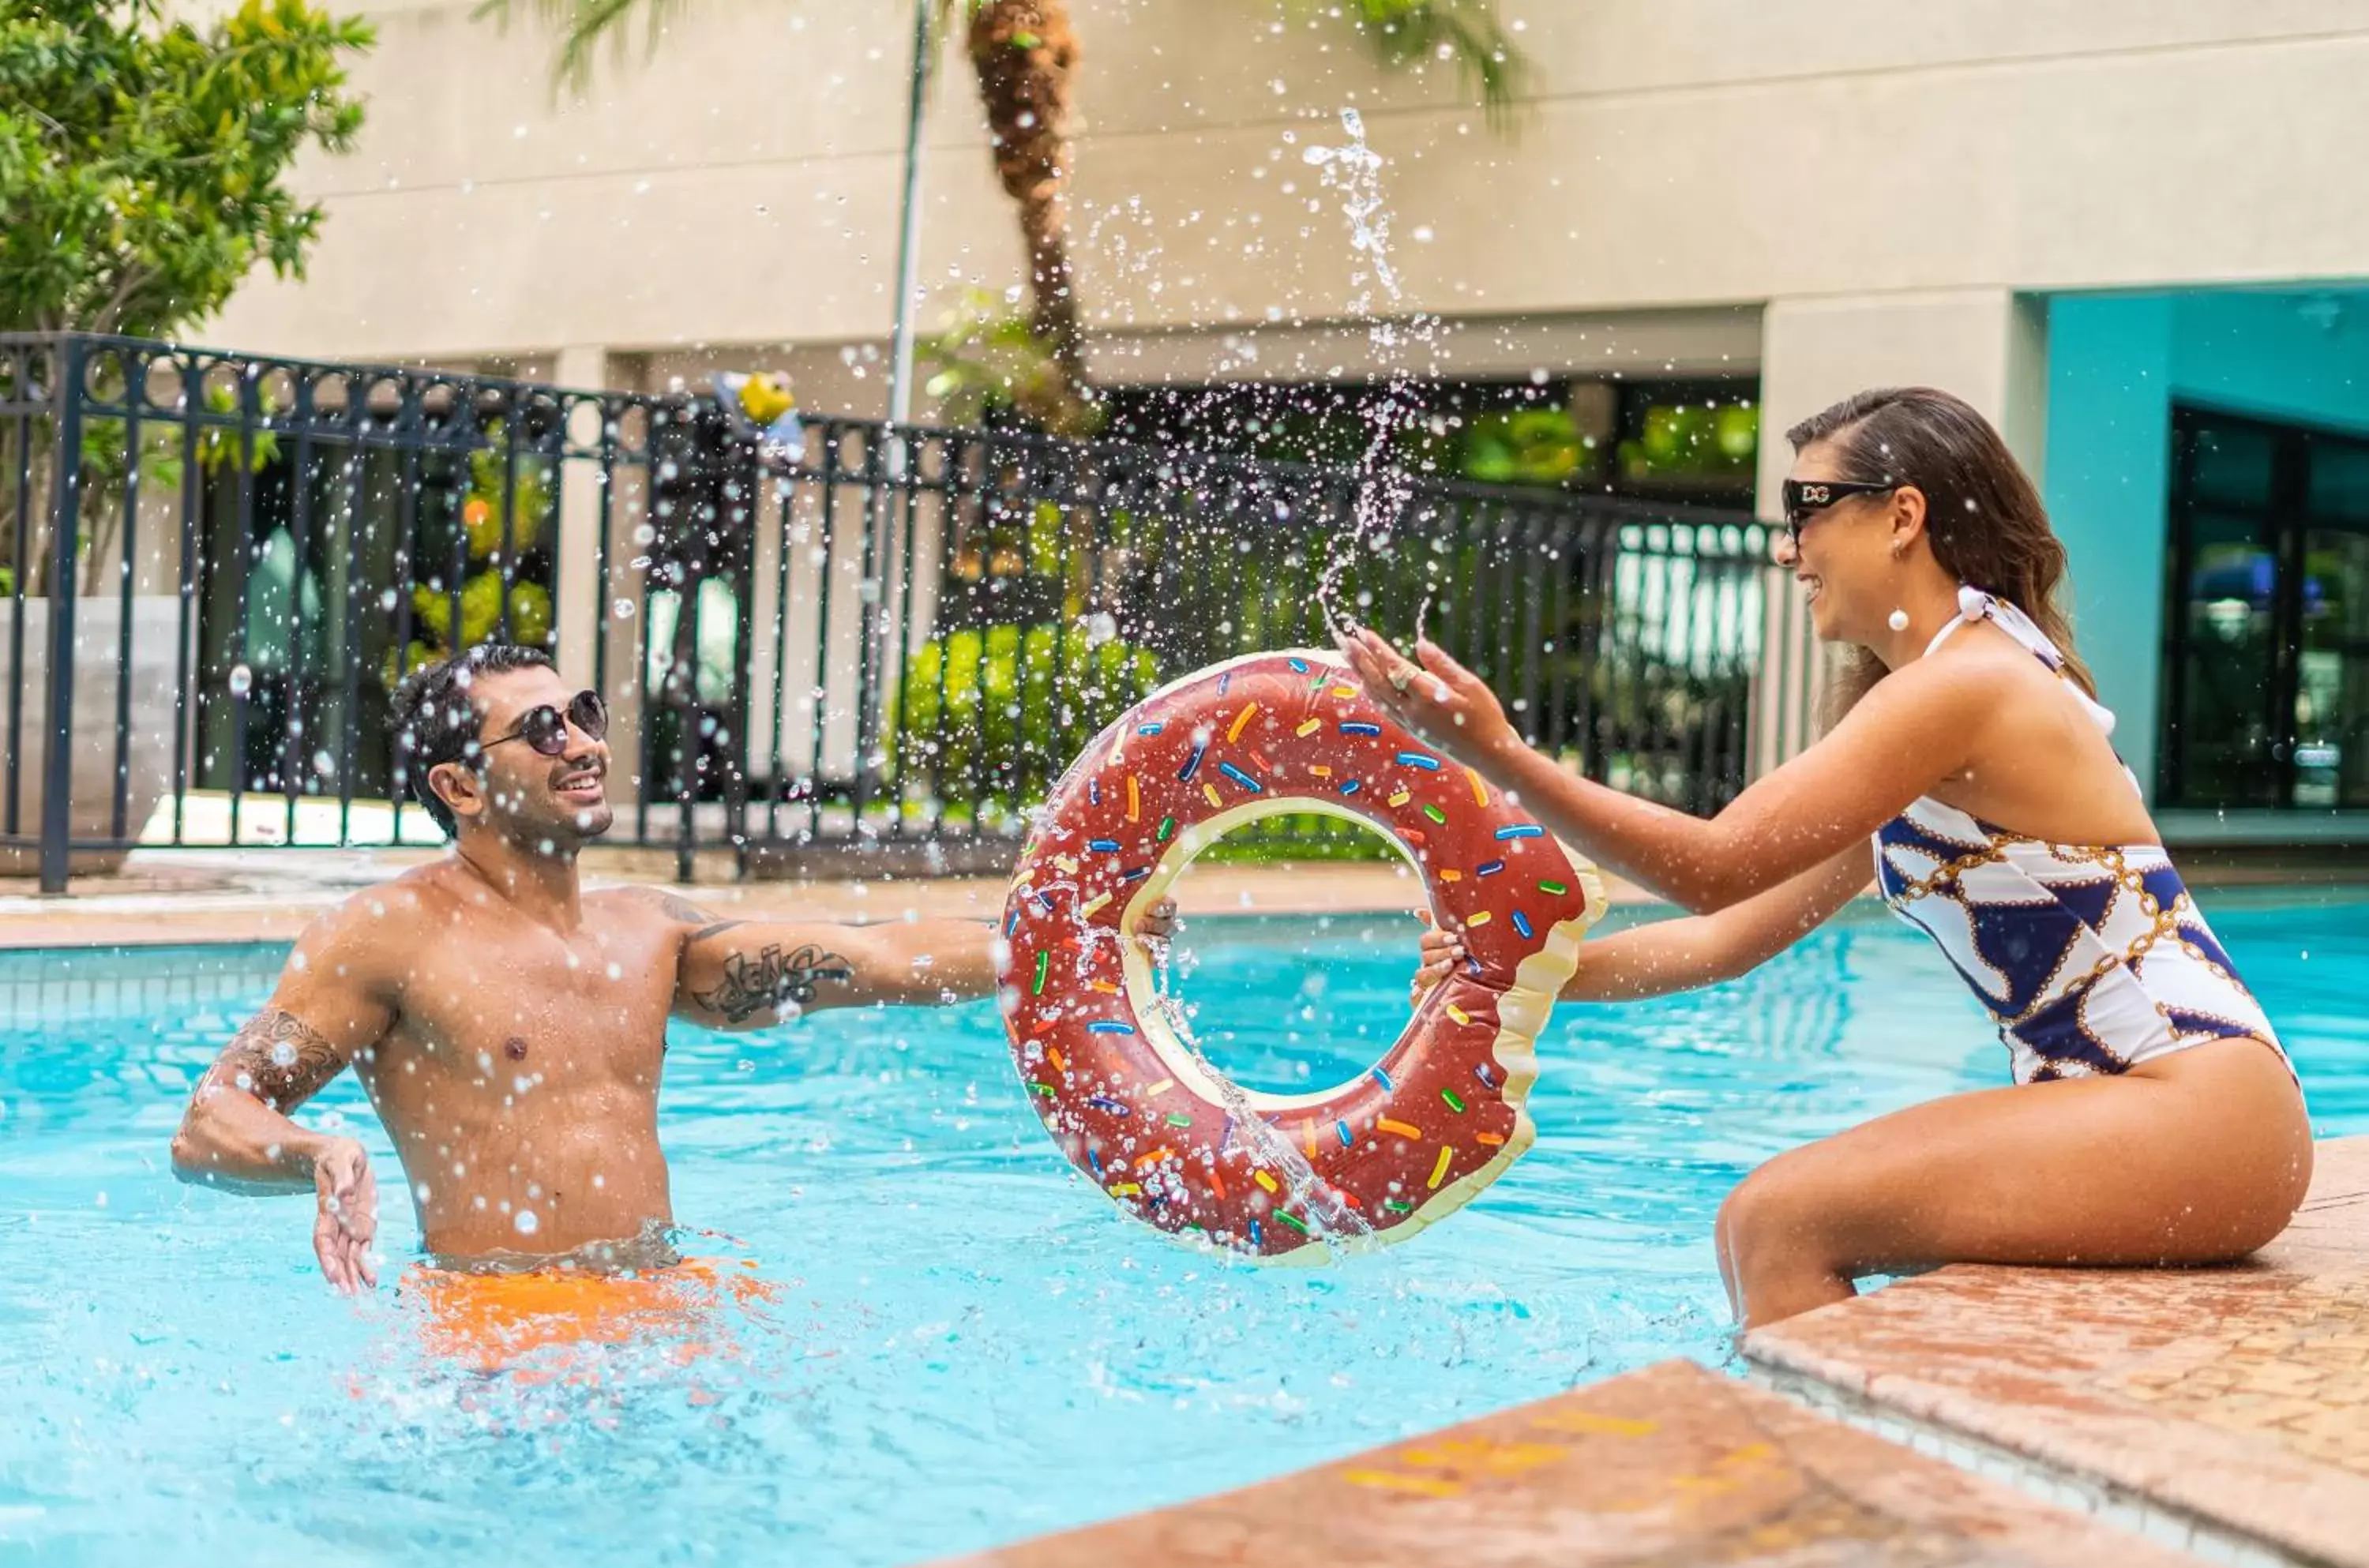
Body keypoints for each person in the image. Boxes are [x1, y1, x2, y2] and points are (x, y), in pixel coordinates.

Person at [1346, 386, 2311, 1330]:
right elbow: (1726, 935)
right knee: (1761, 1227)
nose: (1785, 547)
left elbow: (1713, 863)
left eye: (1805, 510)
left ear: (1902, 515)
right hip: (2168, 1116)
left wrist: (1501, 756)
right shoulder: (1941, 693)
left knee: (1775, 1221)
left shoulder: (1966, 683)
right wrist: (1523, 972)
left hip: (2197, 1111)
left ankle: (1828, 1480)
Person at [170, 643, 1173, 1296]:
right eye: (542, 729)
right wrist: (316, 1153)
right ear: (459, 784)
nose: (584, 743)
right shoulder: (388, 934)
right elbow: (211, 1117)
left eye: (586, 713)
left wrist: (1082, 928)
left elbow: (878, 956)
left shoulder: (648, 932)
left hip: (663, 1297)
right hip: (501, 1327)